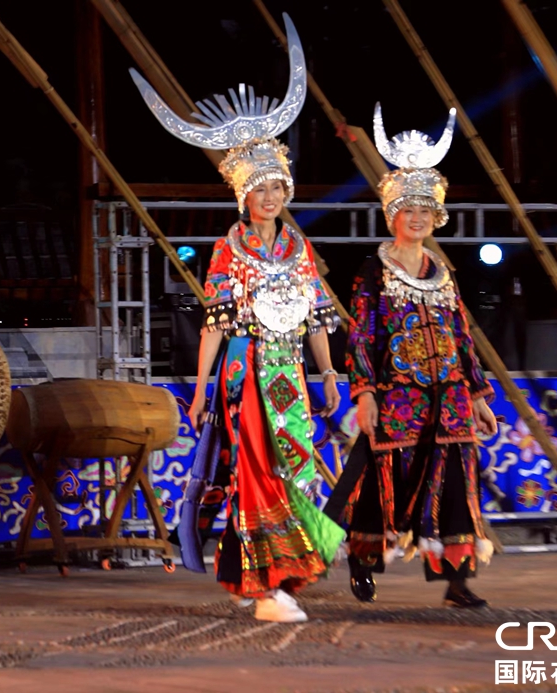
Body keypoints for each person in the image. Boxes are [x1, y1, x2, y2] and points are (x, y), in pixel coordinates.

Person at [130, 14, 345, 623]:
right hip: (246, 372)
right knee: (257, 467)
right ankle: (263, 585)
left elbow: (318, 317)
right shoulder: (230, 249)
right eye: (260, 190)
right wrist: (200, 391)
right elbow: (216, 326)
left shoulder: (298, 249)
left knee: (296, 464)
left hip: (291, 374)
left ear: (287, 191)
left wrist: (329, 374)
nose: (270, 197)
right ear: (243, 197)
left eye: (277, 187)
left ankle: (284, 575)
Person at [326, 104, 498, 608]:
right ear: (393, 215)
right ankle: (362, 560)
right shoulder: (373, 273)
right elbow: (361, 338)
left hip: (450, 400)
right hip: (397, 397)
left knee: (456, 490)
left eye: (426, 211)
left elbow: (461, 339)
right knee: (380, 482)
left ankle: (457, 580)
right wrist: (364, 393)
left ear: (435, 217)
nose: (417, 218)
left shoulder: (443, 275)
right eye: (409, 210)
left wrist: (479, 396)